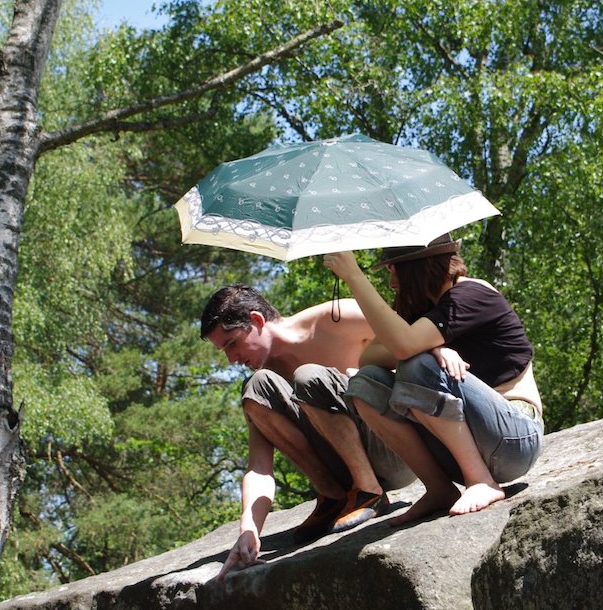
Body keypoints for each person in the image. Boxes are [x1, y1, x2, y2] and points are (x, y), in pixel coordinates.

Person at [323, 234, 544, 524]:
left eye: (393, 272)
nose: (392, 284)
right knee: (366, 383)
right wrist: (433, 346)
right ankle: (439, 488)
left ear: (414, 269)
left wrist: (353, 275)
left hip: (515, 440)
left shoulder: (472, 294)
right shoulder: (424, 312)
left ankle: (481, 481)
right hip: (463, 449)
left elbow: (404, 347)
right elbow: (369, 358)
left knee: (418, 365)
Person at [200, 285, 416, 579]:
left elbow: (412, 339)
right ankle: (335, 496)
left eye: (231, 343)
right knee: (256, 387)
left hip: (397, 448)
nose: (231, 359)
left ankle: (370, 493)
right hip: (344, 467)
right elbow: (260, 468)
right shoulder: (264, 382)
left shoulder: (336, 317)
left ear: (257, 320)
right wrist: (248, 531)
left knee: (309, 376)